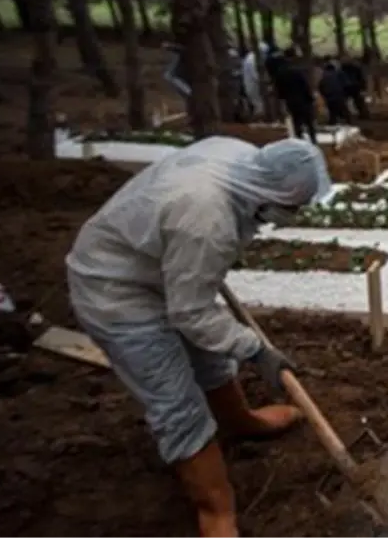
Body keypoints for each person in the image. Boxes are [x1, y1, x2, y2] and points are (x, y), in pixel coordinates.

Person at [65, 137, 332, 538]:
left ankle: (240, 421)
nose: (287, 217)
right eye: (289, 209)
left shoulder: (241, 155)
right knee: (177, 402)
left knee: (210, 354)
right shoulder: (208, 220)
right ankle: (216, 512)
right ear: (268, 195)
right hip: (115, 289)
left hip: (153, 259)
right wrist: (256, 350)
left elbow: (194, 306)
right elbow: (190, 313)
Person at [268, 50, 317, 144]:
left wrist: (283, 100)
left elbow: (279, 91)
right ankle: (313, 140)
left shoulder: (279, 74)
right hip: (304, 100)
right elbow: (305, 85)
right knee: (309, 122)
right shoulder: (297, 71)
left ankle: (300, 140)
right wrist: (310, 97)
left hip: (291, 101)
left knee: (297, 121)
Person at [317, 59, 351, 125]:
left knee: (333, 113)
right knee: (345, 112)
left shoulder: (324, 76)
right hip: (338, 95)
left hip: (329, 97)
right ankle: (348, 124)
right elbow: (346, 84)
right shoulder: (339, 73)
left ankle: (333, 124)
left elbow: (320, 87)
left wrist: (325, 95)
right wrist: (345, 94)